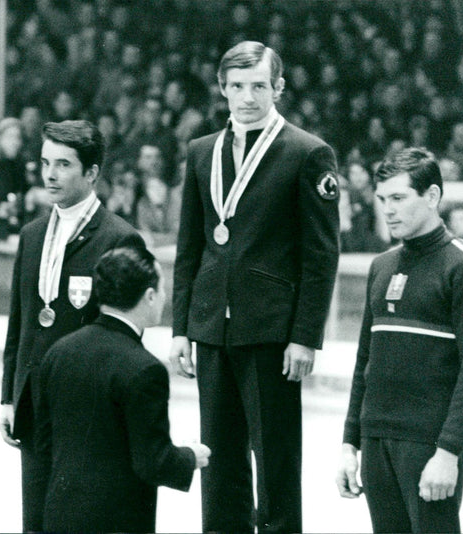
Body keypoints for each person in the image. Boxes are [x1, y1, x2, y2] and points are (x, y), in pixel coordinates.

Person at [170, 41, 340, 533]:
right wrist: (181, 327)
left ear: (278, 88)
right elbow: (189, 247)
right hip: (211, 328)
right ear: (222, 88)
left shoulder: (308, 153)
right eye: (238, 86)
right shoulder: (201, 152)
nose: (247, 97)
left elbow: (321, 254)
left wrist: (306, 334)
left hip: (272, 331)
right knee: (217, 457)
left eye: (259, 86)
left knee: (276, 459)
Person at [336, 147, 463, 533]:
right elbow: (364, 362)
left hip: (429, 444)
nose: (388, 210)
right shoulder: (381, 266)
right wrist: (349, 444)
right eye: (382, 200)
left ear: (431, 197)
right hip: (376, 441)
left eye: (398, 198)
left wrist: (449, 452)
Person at [0, 120, 144, 532]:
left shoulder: (119, 238)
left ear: (92, 173)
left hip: (87, 408)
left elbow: (126, 341)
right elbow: (21, 322)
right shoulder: (31, 234)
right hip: (33, 402)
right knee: (35, 520)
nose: (50, 174)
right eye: (46, 163)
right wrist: (10, 396)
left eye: (63, 164)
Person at [33, 246, 211, 532]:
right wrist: (190, 457)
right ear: (150, 297)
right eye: (162, 290)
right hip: (118, 520)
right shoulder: (145, 369)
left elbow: (43, 445)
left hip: (60, 514)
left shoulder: (58, 353)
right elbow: (152, 461)